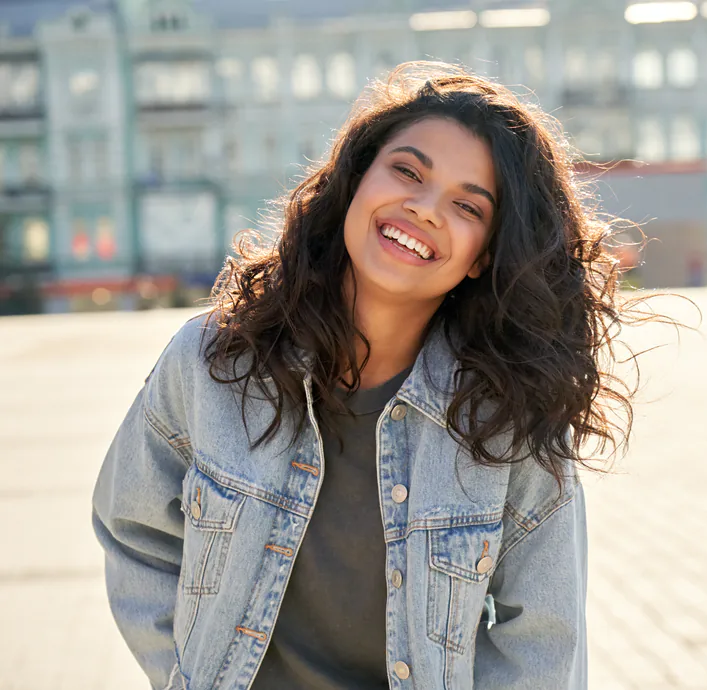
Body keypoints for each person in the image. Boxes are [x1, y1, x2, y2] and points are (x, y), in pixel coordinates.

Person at [92, 62, 640, 690]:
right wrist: (189, 676)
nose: (424, 208)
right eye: (407, 171)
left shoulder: (508, 421)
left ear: (481, 257)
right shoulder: (215, 360)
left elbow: (545, 641)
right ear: (356, 180)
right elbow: (131, 530)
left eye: (466, 205)